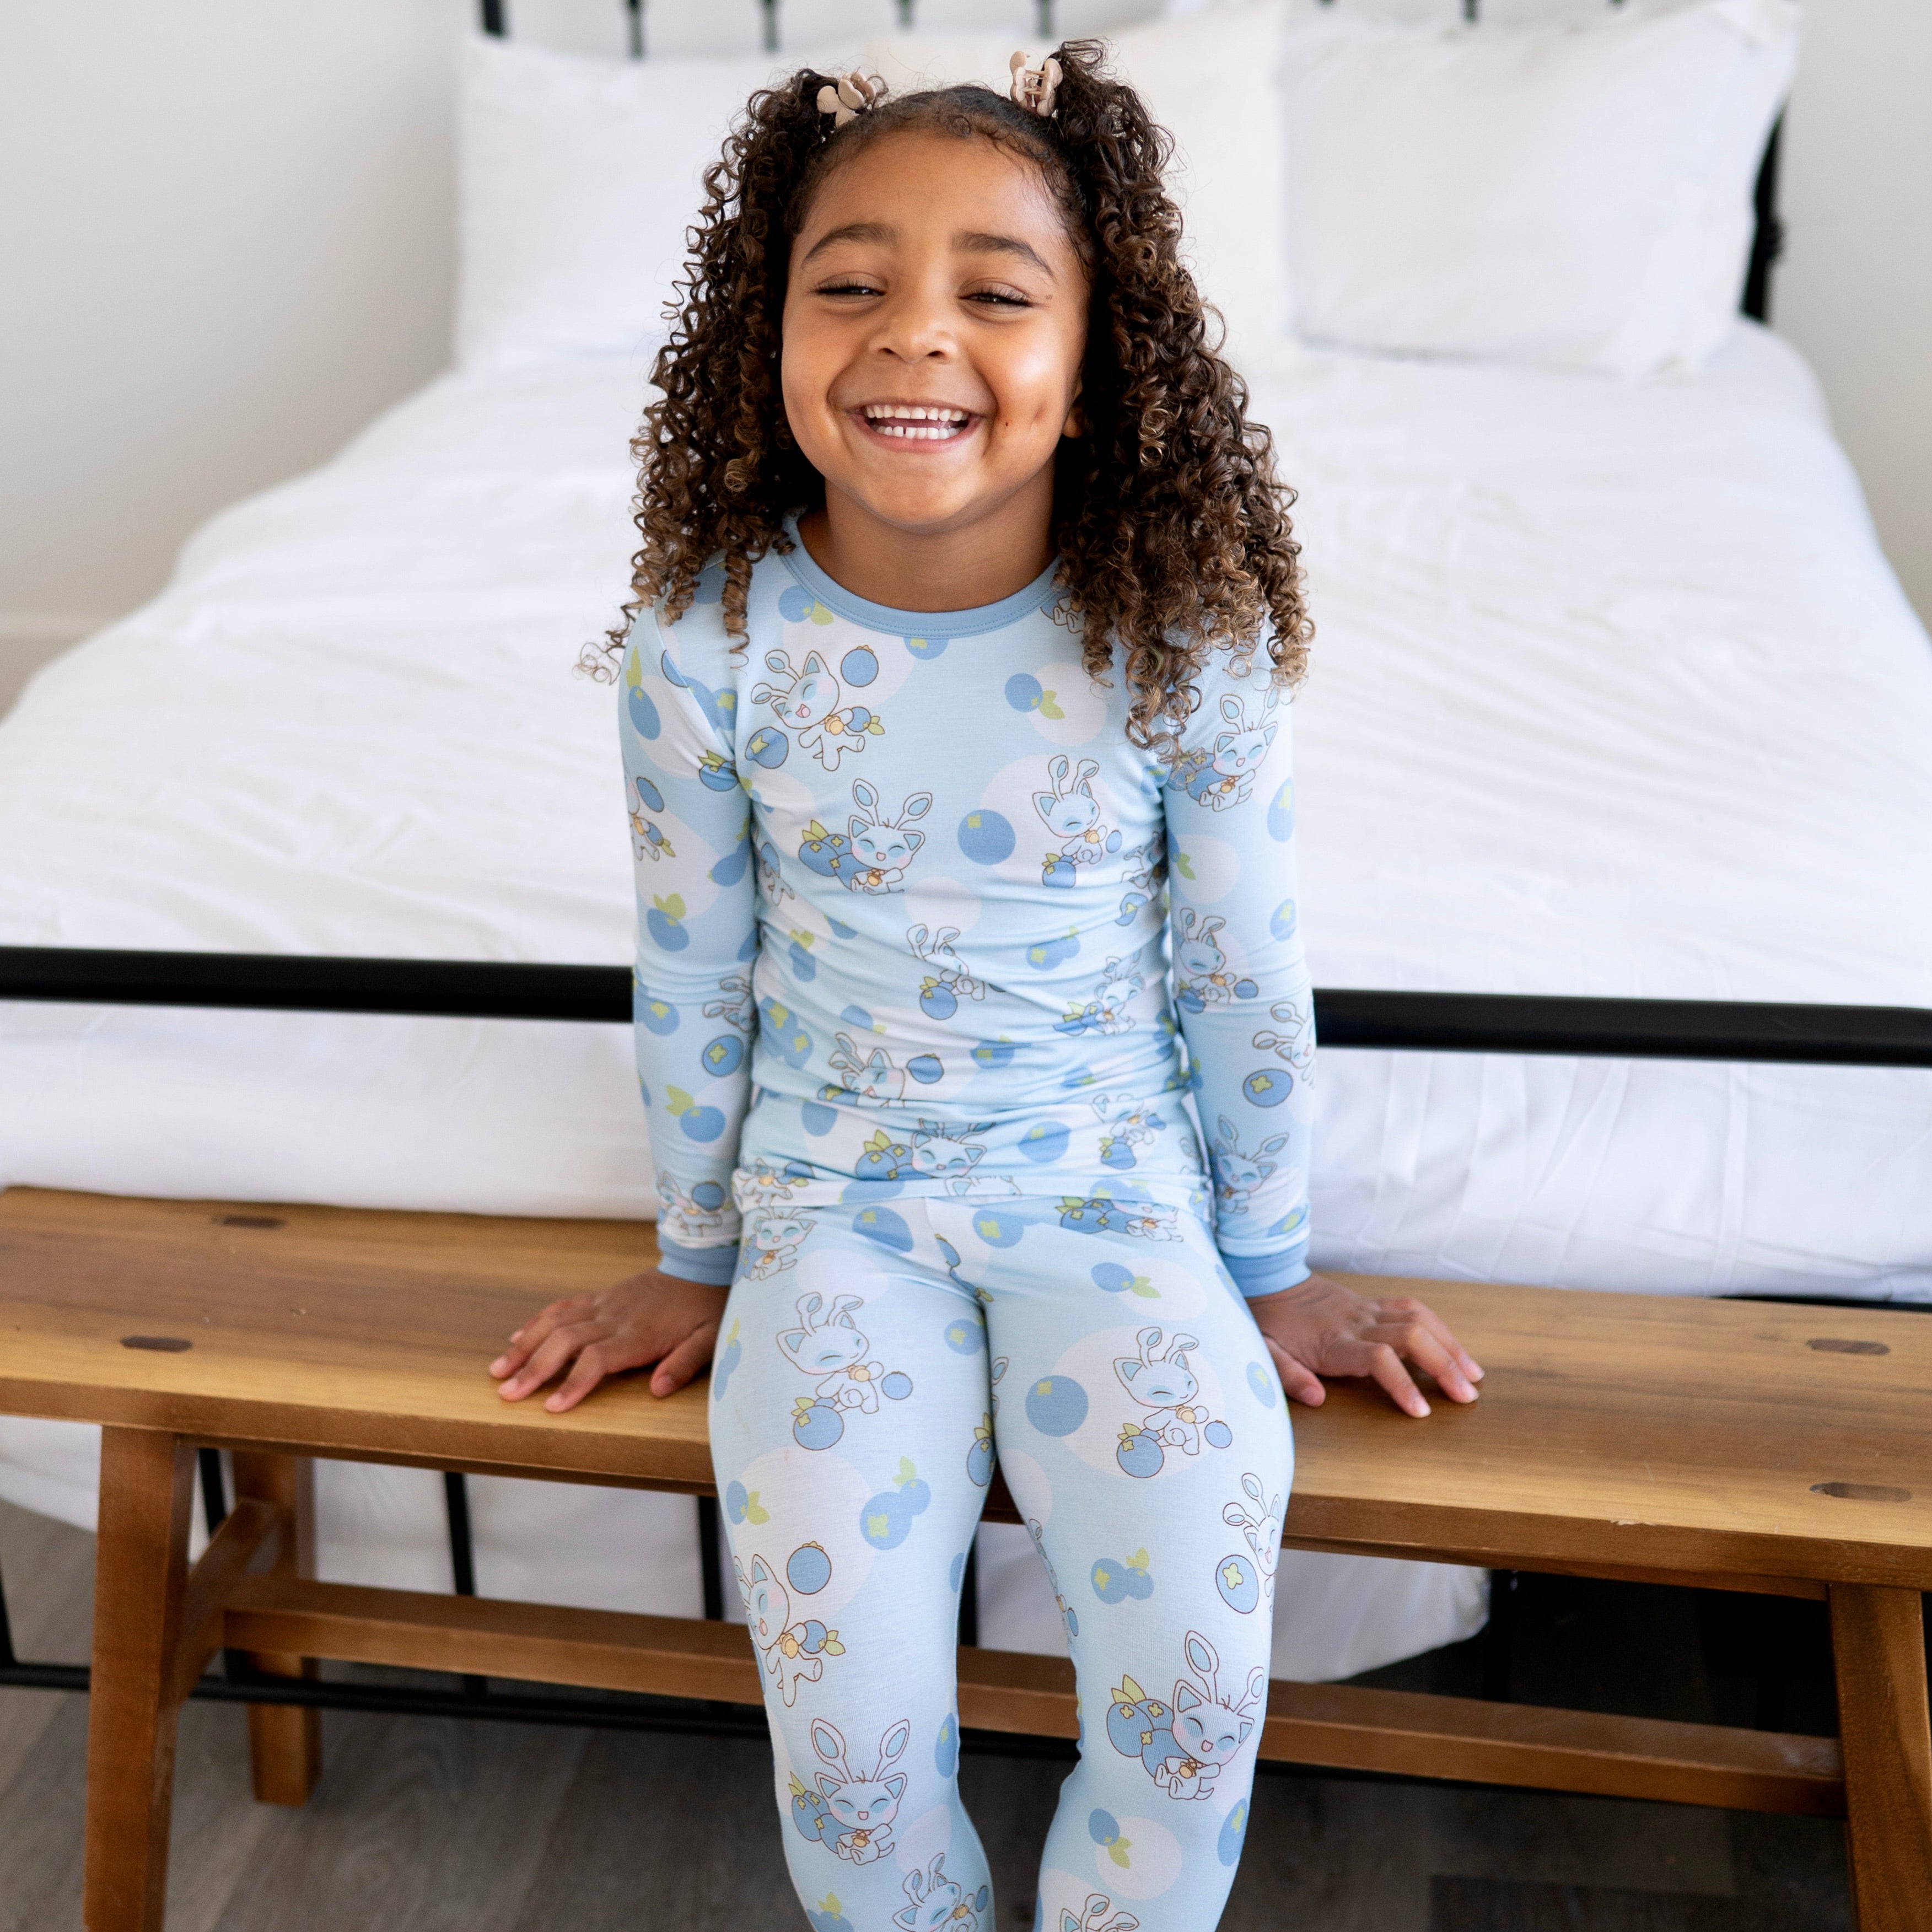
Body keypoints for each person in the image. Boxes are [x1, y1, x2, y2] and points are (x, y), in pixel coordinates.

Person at [493, 42, 1481, 1930]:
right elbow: (692, 967)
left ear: (1097, 358)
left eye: (994, 293)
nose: (910, 338)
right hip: (830, 1217)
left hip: (1113, 1204)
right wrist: (694, 1250)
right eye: (846, 284)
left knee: (1190, 1696)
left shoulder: (1182, 643)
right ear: (762, 333)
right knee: (850, 1738)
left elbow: (1242, 974)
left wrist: (1268, 1261)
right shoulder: (705, 643)